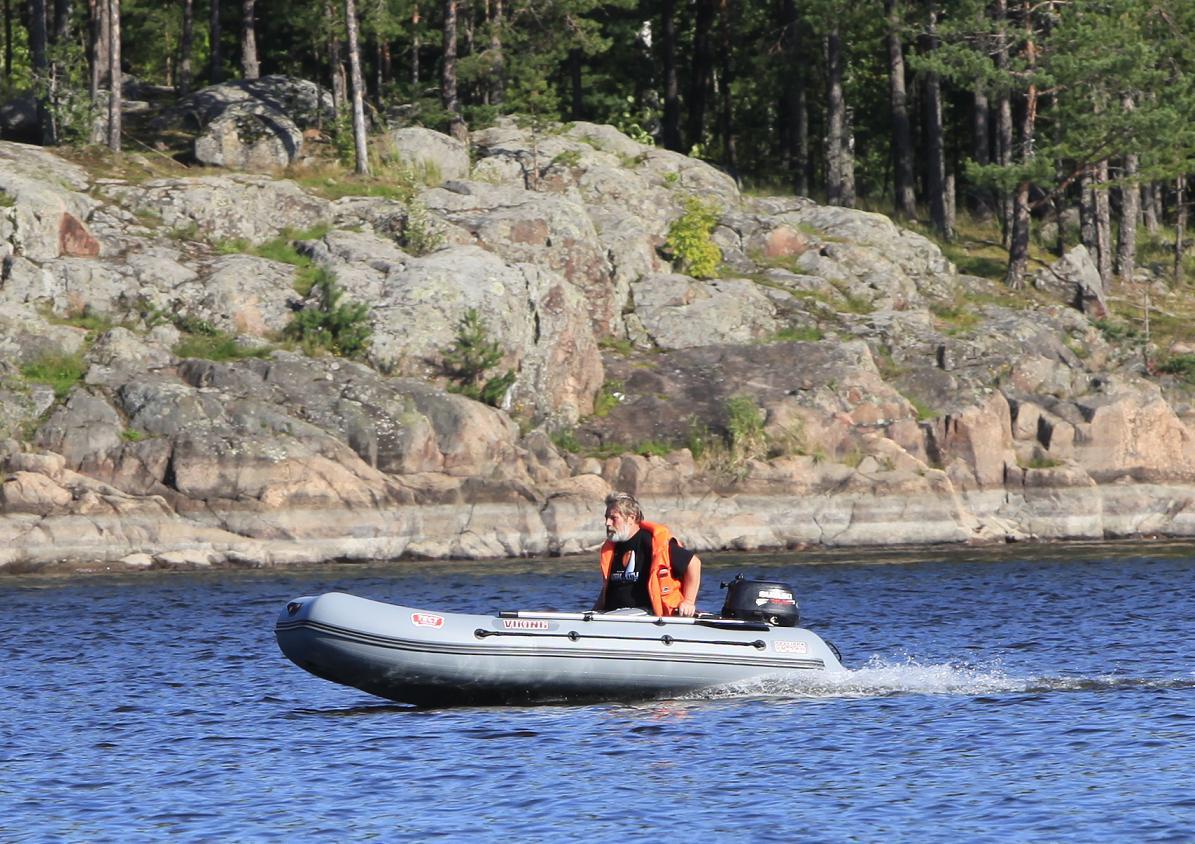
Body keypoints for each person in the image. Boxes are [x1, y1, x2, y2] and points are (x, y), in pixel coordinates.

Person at [594, 492, 702, 617]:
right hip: (614, 615)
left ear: (631, 518)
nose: (607, 523)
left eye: (613, 518)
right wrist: (594, 613)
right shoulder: (613, 547)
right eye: (606, 518)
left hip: (649, 616)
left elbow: (694, 563)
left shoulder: (653, 542)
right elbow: (610, 587)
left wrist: (688, 602)